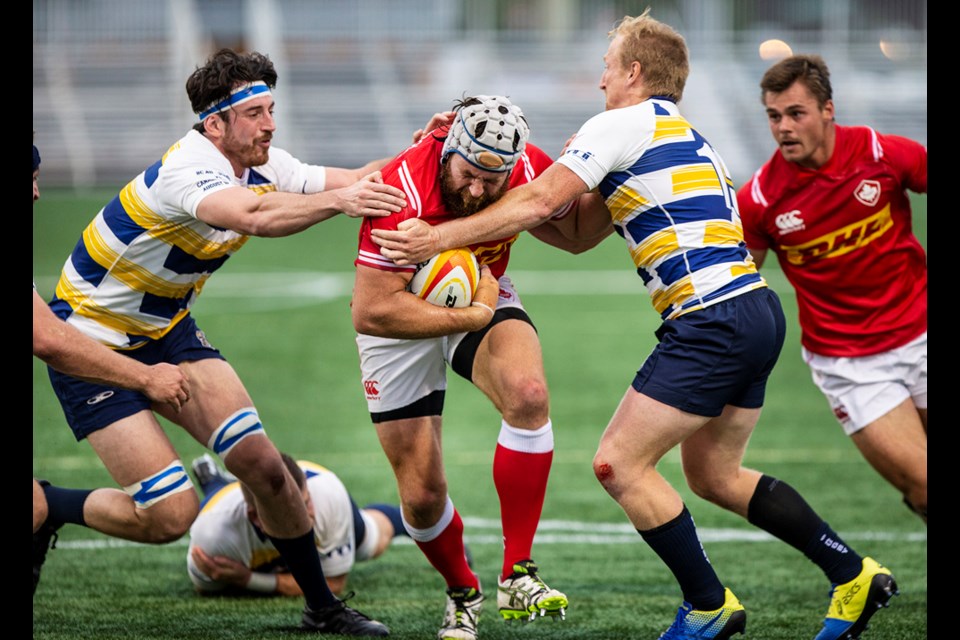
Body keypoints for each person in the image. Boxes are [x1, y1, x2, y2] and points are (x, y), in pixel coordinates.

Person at [368, 13, 900, 640]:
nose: (599, 82)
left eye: (605, 67)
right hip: (756, 312)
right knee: (715, 476)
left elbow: (540, 202)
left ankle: (708, 605)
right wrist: (482, 180)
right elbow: (571, 233)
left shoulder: (619, 123)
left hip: (710, 318)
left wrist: (438, 236)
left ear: (633, 72)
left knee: (618, 464)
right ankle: (853, 574)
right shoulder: (692, 136)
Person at [32, 48, 449, 636]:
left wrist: (427, 150)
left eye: (271, 109)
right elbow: (253, 216)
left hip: (166, 331)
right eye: (255, 113)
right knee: (169, 515)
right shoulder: (188, 168)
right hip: (91, 345)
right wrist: (337, 202)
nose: (271, 124)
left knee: (266, 467)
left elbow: (358, 179)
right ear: (214, 124)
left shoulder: (263, 163)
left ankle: (322, 609)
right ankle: (48, 507)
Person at [352, 94, 608, 640]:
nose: (476, 192)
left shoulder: (527, 165)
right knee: (421, 498)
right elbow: (371, 310)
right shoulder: (399, 189)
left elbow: (577, 235)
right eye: (468, 176)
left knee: (529, 395)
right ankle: (463, 591)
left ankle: (518, 570)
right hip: (402, 316)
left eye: (492, 184)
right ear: (448, 149)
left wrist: (615, 173)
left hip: (480, 289)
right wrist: (473, 313)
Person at [736, 54, 927, 524]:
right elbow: (740, 284)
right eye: (774, 116)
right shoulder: (760, 199)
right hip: (850, 362)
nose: (783, 127)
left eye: (796, 113)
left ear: (827, 110)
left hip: (920, 330)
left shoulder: (882, 153)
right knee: (922, 483)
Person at [32, 141, 190, 542]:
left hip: (156, 333)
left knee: (172, 513)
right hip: (108, 349)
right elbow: (48, 339)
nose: (36, 193)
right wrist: (146, 379)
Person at [186, 452, 409, 597]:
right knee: (218, 499)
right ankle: (215, 483)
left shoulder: (325, 496)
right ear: (256, 518)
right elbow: (206, 587)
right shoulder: (213, 534)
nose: (308, 515)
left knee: (370, 543)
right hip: (226, 507)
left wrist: (248, 579)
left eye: (306, 502)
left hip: (312, 491)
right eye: (295, 511)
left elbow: (333, 584)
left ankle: (414, 520)